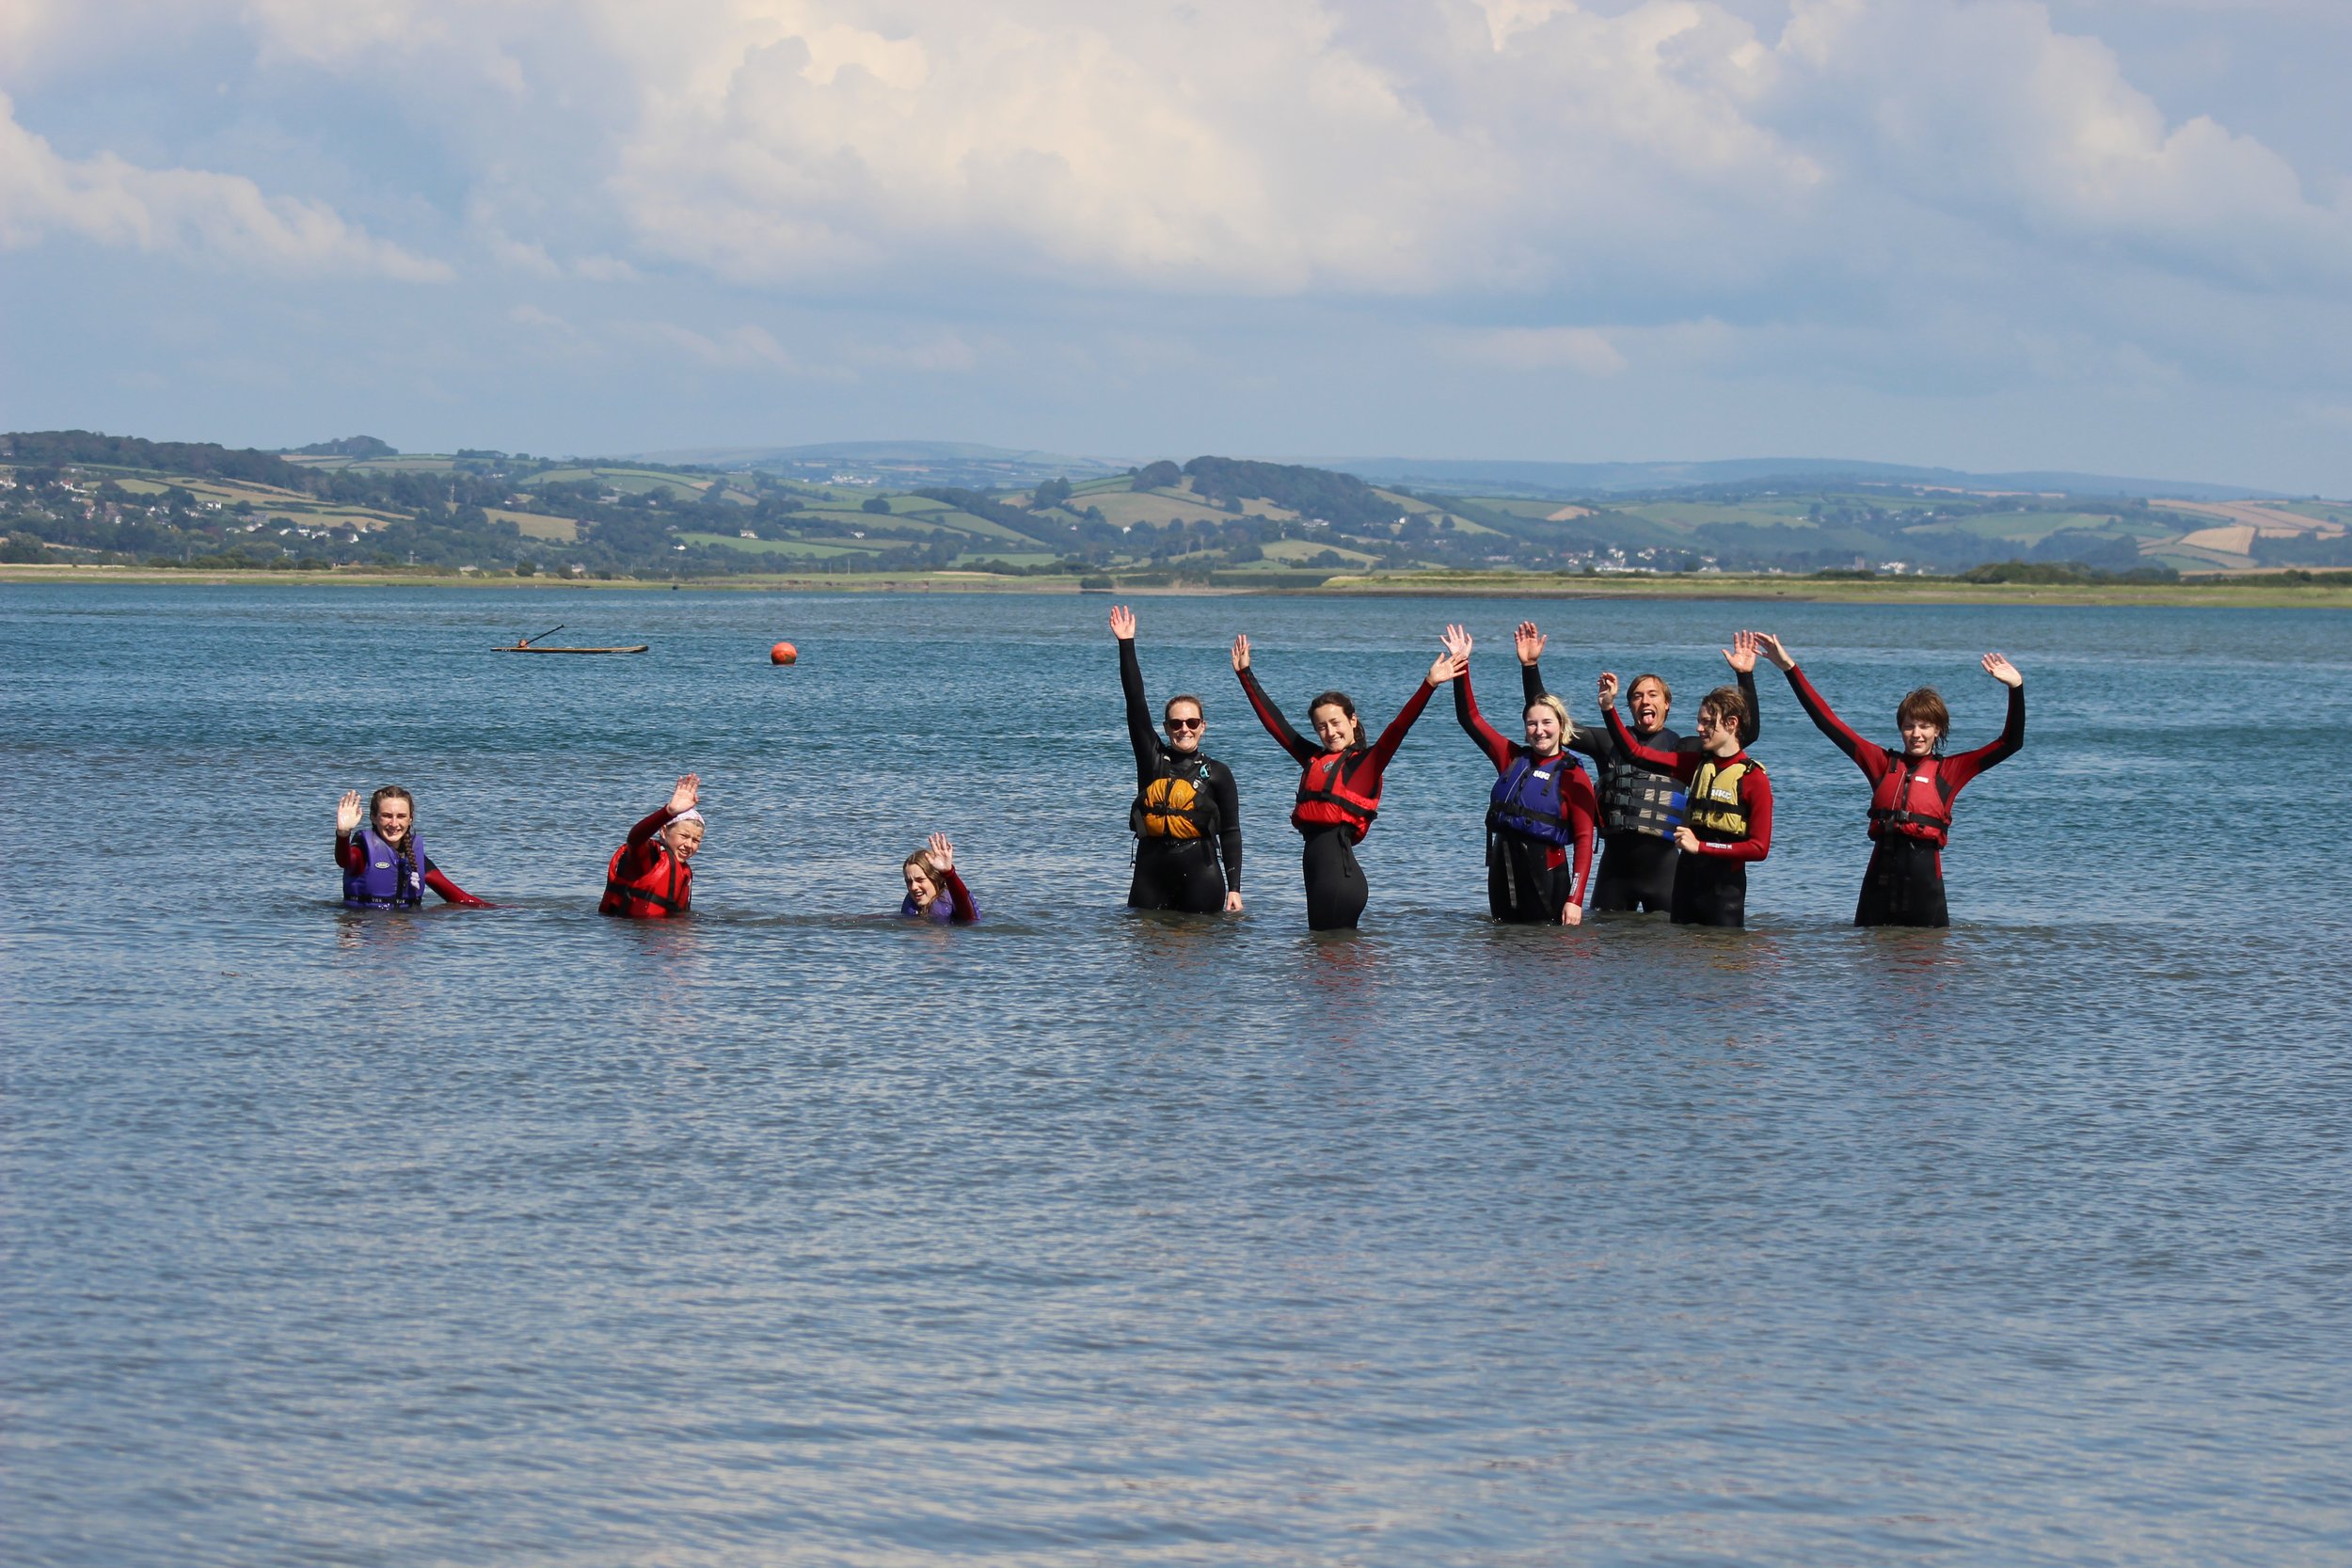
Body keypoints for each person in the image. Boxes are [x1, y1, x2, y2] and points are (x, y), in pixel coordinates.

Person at [1755, 634, 2025, 927]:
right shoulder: (1881, 763)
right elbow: (1827, 721)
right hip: (1878, 887)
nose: (1916, 734)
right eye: (1909, 726)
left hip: (1925, 891)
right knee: (1873, 966)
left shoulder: (1952, 770)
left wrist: (2016, 689)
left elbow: (2010, 743)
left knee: (1926, 965)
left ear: (1938, 730)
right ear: (1900, 729)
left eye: (1925, 726)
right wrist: (1789, 668)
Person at [1515, 621, 1761, 914]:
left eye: (1653, 695)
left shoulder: (1686, 748)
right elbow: (1549, 722)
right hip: (1614, 874)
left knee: (1668, 945)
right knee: (1608, 949)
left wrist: (1744, 676)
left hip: (1665, 872)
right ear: (1629, 705)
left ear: (1667, 704)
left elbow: (1746, 733)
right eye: (1637, 696)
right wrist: (1530, 667)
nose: (1645, 700)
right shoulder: (1606, 741)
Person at [1233, 630, 1455, 930]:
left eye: (1336, 723)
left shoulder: (1364, 766)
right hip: (1319, 880)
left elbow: (1397, 729)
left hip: (1340, 882)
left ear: (1352, 720)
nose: (1330, 732)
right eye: (1321, 727)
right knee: (1321, 966)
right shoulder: (1316, 760)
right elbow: (1277, 725)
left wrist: (1428, 685)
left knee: (1335, 970)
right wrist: (1246, 675)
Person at [1441, 625, 1597, 925]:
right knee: (1503, 949)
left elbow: (1584, 840)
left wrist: (1575, 900)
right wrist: (1461, 663)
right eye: (1531, 723)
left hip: (1548, 876)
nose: (1539, 730)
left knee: (1544, 955)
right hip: (1503, 869)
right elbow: (1469, 718)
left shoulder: (1574, 774)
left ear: (1561, 726)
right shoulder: (1511, 758)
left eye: (1547, 723)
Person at [1599, 676, 1771, 927]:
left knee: (1722, 962)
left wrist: (1702, 847)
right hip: (1685, 887)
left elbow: (1759, 848)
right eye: (1699, 721)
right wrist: (1608, 708)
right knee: (1680, 963)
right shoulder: (1695, 765)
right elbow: (1636, 754)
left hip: (1723, 895)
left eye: (1708, 723)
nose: (1699, 728)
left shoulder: (1753, 779)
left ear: (1732, 724)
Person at [1109, 605, 1244, 914]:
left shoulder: (1219, 773)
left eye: (1192, 723)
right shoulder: (1152, 758)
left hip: (1202, 876)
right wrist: (1126, 644)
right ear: (1166, 728)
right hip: (1150, 874)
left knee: (1198, 956)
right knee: (1145, 956)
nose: (1184, 729)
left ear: (1203, 726)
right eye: (1176, 724)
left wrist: (1235, 888)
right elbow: (1135, 700)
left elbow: (1232, 832)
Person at [334, 785, 488, 908]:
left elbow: (459, 898)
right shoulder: (362, 851)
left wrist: (504, 911)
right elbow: (344, 861)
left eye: (401, 816)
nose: (394, 824)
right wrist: (343, 834)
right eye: (387, 816)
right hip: (368, 931)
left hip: (405, 938)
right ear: (373, 817)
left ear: (410, 819)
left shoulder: (413, 856)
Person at [599, 774, 702, 919]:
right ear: (664, 832)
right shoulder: (649, 859)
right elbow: (634, 839)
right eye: (684, 836)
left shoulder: (682, 870)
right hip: (634, 937)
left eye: (696, 840)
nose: (689, 845)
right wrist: (668, 812)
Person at [899, 832, 978, 924]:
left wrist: (948, 873)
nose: (913, 887)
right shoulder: (912, 905)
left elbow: (966, 913)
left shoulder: (953, 902)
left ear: (936, 879)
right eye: (908, 881)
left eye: (920, 880)